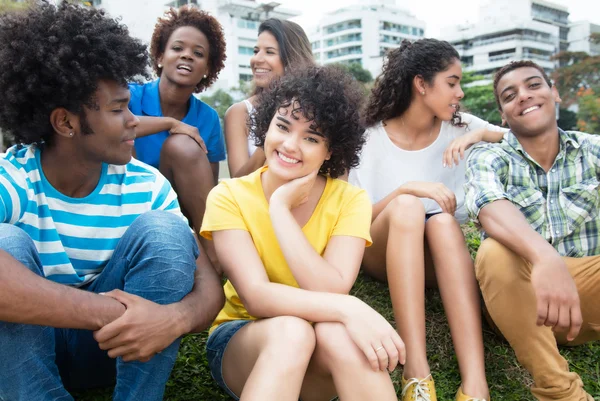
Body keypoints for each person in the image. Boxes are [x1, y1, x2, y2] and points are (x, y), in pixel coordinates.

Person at [0, 3, 224, 401]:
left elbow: (209, 290)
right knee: (6, 242)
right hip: (27, 347)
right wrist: (116, 313)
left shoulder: (146, 184)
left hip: (111, 348)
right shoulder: (15, 177)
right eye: (119, 109)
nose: (135, 120)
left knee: (166, 230)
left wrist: (170, 319)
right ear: (65, 123)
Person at [201, 66, 405, 401]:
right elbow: (256, 296)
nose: (290, 145)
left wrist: (280, 212)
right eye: (282, 127)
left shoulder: (349, 200)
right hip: (247, 343)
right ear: (266, 126)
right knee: (292, 331)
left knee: (337, 336)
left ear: (330, 150)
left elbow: (330, 286)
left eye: (311, 137)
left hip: (321, 348)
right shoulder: (229, 196)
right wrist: (348, 309)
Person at [349, 39, 505, 401]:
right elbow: (352, 220)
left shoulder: (462, 127)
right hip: (381, 249)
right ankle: (416, 371)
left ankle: (475, 385)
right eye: (452, 82)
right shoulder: (369, 137)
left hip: (435, 255)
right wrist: (407, 190)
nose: (460, 92)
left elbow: (522, 140)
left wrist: (481, 134)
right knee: (407, 207)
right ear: (421, 84)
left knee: (443, 223)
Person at [465, 60, 600, 401]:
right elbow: (488, 204)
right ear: (503, 116)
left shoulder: (592, 150)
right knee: (495, 251)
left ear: (554, 93)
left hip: (584, 298)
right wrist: (545, 258)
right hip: (518, 302)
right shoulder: (489, 156)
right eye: (510, 95)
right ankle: (562, 393)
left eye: (534, 85)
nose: (523, 96)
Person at [128, 6, 227, 238]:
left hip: (177, 216)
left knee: (181, 146)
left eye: (198, 53)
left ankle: (216, 258)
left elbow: (206, 194)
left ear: (207, 69)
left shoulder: (208, 118)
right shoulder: (129, 97)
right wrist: (170, 123)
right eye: (177, 48)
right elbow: (115, 128)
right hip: (127, 205)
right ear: (160, 57)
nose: (187, 55)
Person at [224, 18, 314, 178]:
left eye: (269, 52)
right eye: (255, 51)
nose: (257, 59)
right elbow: (237, 182)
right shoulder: (240, 112)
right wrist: (271, 138)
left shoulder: (315, 109)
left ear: (292, 59)